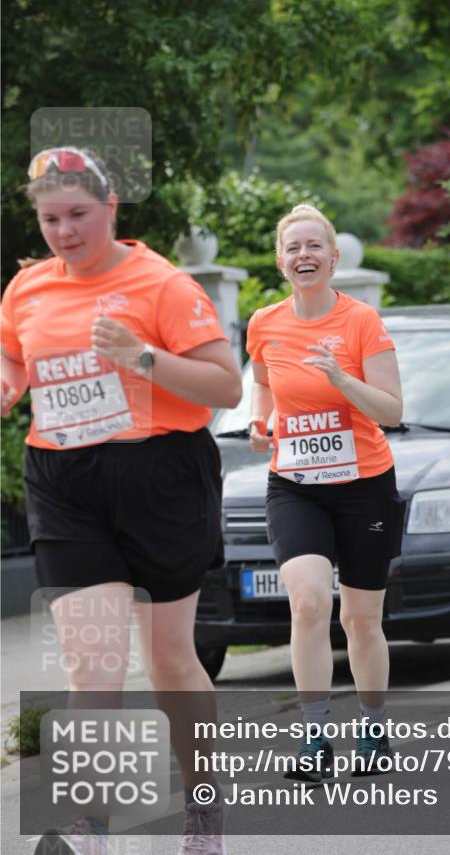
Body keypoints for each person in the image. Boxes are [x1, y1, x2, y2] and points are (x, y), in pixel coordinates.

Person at [1, 147, 242, 855]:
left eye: (78, 214)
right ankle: (90, 826)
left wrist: (140, 356)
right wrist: (9, 381)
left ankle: (203, 811)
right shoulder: (27, 289)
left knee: (169, 660)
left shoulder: (160, 284)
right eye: (49, 218)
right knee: (93, 662)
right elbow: (13, 353)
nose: (64, 231)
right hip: (63, 478)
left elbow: (224, 388)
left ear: (111, 208)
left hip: (159, 474)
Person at [247, 203, 404, 780]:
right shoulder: (263, 323)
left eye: (314, 247)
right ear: (281, 261)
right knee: (309, 601)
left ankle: (371, 725)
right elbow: (264, 390)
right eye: (293, 248)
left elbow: (392, 410)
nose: (303, 255)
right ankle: (313, 738)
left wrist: (341, 379)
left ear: (333, 259)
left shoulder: (362, 321)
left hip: (364, 484)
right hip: (295, 485)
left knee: (361, 619)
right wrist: (261, 423)